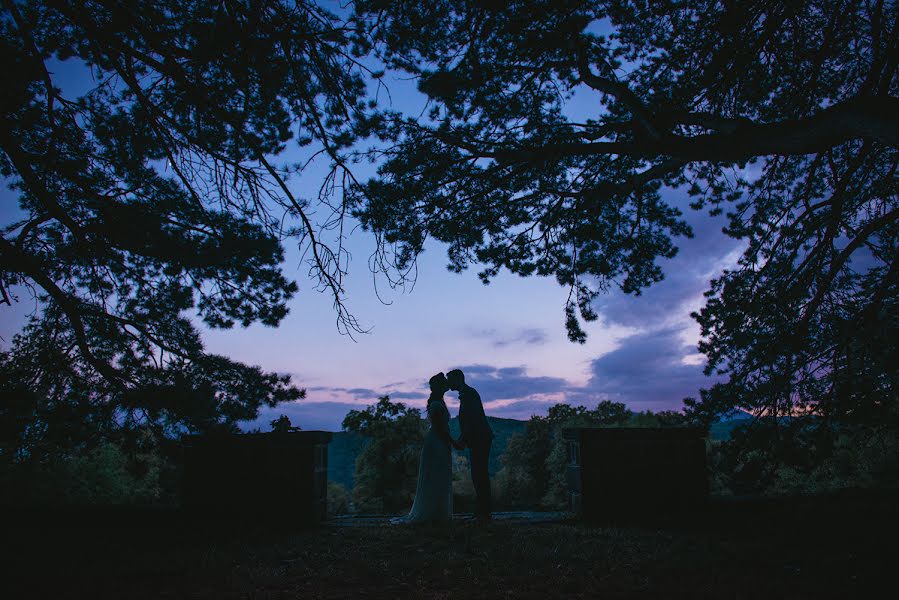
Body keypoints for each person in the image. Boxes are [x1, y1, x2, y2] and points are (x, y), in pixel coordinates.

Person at [401, 372, 454, 524]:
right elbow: (440, 428)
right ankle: (434, 512)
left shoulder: (438, 401)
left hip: (438, 441)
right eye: (444, 382)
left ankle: (437, 512)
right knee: (436, 473)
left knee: (438, 473)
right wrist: (453, 441)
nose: (447, 384)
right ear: (440, 386)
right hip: (438, 441)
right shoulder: (437, 403)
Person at [447, 368, 493, 522]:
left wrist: (461, 440)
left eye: (450, 379)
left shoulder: (468, 395)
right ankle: (482, 512)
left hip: (480, 439)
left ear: (458, 379)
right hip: (478, 439)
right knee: (479, 474)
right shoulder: (468, 394)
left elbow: (471, 422)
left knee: (479, 475)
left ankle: (483, 513)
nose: (448, 383)